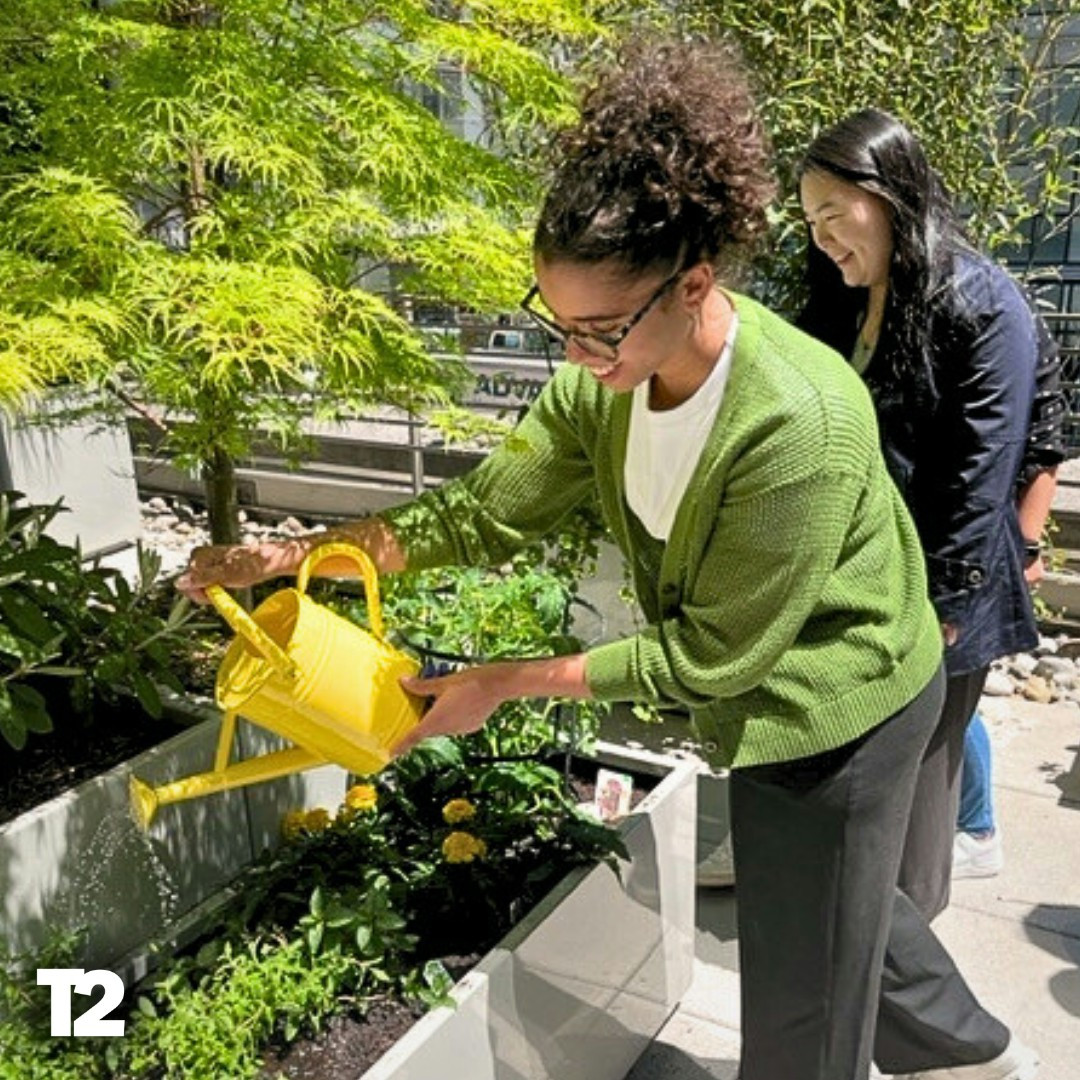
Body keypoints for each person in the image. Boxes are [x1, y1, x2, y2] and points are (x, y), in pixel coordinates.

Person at [180, 41, 1032, 1080]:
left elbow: (711, 660)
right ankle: (983, 1053)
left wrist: (499, 686)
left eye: (602, 331)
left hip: (843, 695)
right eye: (561, 327)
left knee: (802, 997)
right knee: (838, 904)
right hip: (758, 671)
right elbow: (485, 513)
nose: (579, 359)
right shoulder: (605, 383)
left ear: (695, 285)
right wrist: (289, 555)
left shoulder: (798, 421)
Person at [799, 109, 1043, 930]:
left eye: (836, 215)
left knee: (914, 819)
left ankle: (909, 994)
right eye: (811, 222)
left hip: (937, 607)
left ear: (890, 195)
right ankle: (865, 958)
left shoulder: (979, 301)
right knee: (861, 798)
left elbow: (984, 472)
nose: (824, 239)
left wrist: (938, 611)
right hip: (857, 589)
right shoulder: (844, 301)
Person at [955, 313, 1067, 880]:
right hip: (949, 536)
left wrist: (1025, 547)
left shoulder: (1007, 317)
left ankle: (977, 829)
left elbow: (1046, 449)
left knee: (955, 685)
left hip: (981, 543)